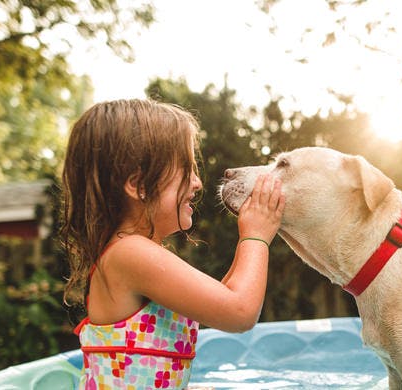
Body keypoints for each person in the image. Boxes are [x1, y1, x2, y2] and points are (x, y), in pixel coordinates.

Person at [60, 99, 285, 389]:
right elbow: (239, 312)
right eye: (186, 170)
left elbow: (221, 300)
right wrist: (256, 236)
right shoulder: (130, 253)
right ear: (139, 185)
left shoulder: (132, 252)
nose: (198, 183)